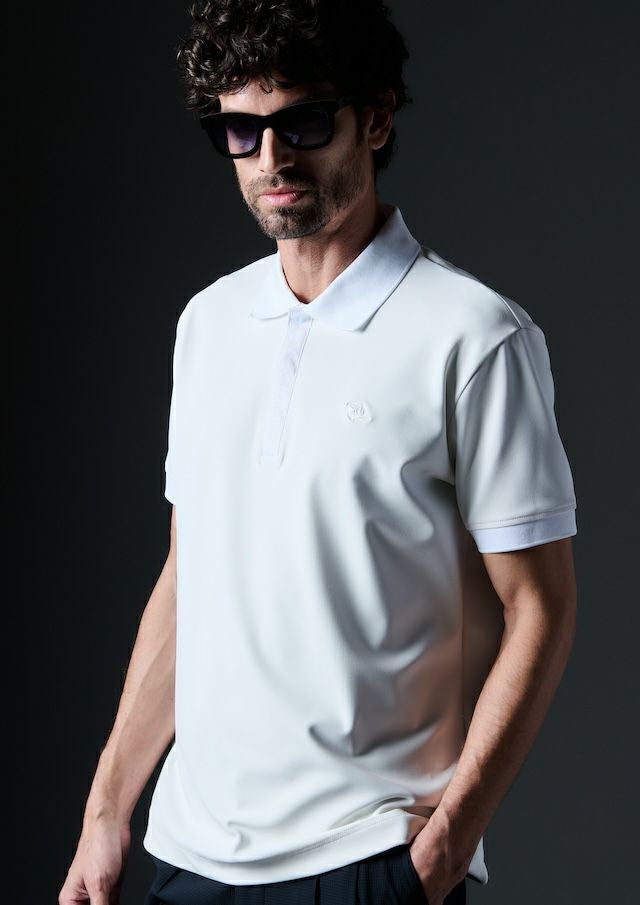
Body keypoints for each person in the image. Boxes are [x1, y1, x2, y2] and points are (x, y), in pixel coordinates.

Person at [58, 2, 579, 904]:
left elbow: (540, 605)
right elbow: (189, 575)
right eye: (241, 130)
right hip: (191, 859)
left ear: (374, 119)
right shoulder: (208, 322)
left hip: (367, 860)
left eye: (301, 122)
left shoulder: (475, 336)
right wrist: (107, 810)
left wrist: (444, 849)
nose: (271, 158)